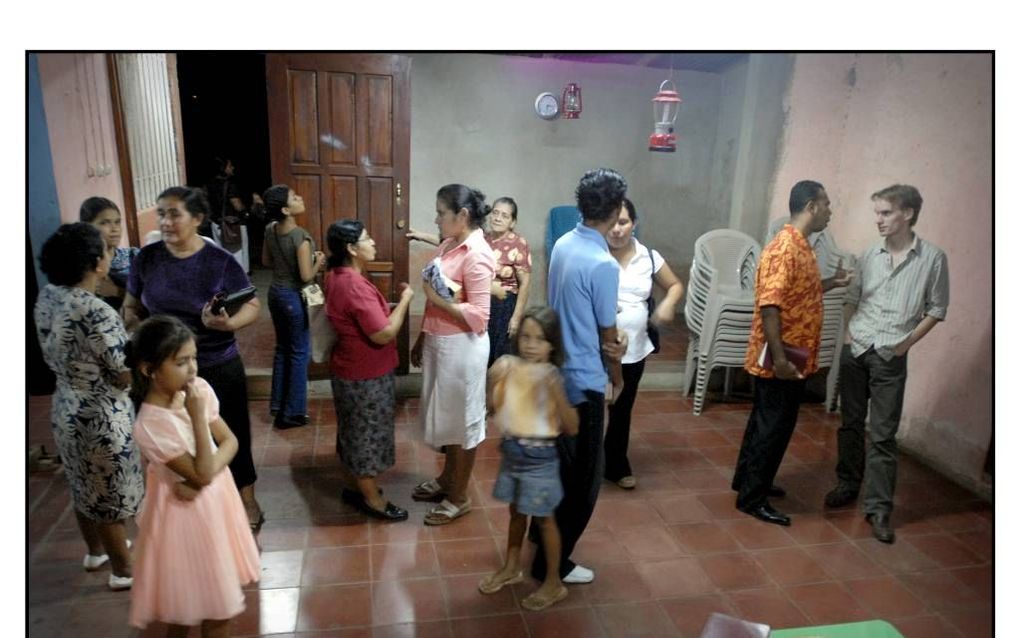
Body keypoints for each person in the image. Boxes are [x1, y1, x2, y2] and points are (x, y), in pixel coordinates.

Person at [123, 186, 264, 531]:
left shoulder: (219, 262)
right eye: (161, 214)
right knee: (176, 443)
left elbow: (253, 305)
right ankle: (188, 507)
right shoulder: (148, 258)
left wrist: (228, 323)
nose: (165, 222)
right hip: (162, 372)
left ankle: (246, 502)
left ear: (197, 219)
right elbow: (131, 304)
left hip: (215, 363)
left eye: (174, 214)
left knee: (231, 436)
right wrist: (138, 327)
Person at [824, 184, 949, 544]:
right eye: (876, 212)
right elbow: (852, 297)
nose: (878, 220)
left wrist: (906, 344)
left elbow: (937, 309)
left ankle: (879, 507)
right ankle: (847, 483)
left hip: (891, 354)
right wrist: (848, 335)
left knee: (882, 434)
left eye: (885, 213)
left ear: (907, 213)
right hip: (858, 347)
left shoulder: (932, 259)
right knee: (849, 423)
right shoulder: (868, 255)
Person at [126, 315, 260, 637]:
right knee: (195, 608)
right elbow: (201, 472)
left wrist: (204, 474)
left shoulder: (198, 389)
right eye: (182, 362)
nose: (193, 369)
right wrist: (198, 418)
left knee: (206, 603)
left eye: (194, 359)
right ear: (149, 369)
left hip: (215, 505)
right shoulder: (151, 425)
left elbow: (231, 442)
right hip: (184, 518)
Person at [731, 180, 852, 527]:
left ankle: (749, 480)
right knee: (774, 425)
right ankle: (752, 499)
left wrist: (834, 282)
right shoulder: (786, 247)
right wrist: (781, 360)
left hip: (793, 348)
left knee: (765, 420)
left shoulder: (801, 246)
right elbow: (770, 306)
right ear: (812, 206)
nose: (830, 212)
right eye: (827, 205)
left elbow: (802, 292)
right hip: (782, 351)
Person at [530, 168, 628, 586]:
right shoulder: (603, 263)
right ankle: (554, 562)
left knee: (558, 466)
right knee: (585, 478)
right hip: (583, 379)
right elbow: (608, 334)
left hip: (554, 372)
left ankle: (541, 536)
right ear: (615, 209)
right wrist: (617, 373)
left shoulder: (565, 244)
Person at [34, 222, 143, 591]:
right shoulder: (95, 310)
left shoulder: (48, 295)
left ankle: (95, 551)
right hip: (100, 413)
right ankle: (123, 570)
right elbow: (123, 371)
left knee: (83, 485)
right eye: (107, 250)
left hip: (65, 404)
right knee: (110, 495)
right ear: (97, 263)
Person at [478, 307, 579, 611]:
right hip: (513, 451)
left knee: (545, 520)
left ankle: (553, 582)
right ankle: (511, 567)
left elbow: (572, 427)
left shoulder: (555, 376)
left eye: (539, 339)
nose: (531, 344)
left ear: (552, 345)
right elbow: (494, 409)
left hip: (541, 457)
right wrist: (492, 381)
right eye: (525, 337)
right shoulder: (510, 367)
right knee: (516, 513)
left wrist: (554, 390)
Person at [410, 184, 496, 526]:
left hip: (463, 348)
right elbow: (434, 297)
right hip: (440, 342)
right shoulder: (449, 244)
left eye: (441, 213)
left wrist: (440, 300)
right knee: (448, 419)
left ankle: (459, 497)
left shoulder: (477, 253)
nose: (436, 219)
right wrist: (421, 336)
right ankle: (448, 480)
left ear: (462, 215)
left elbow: (479, 316)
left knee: (464, 423)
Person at [324, 219, 414, 521]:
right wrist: (405, 301)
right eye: (367, 238)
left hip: (348, 369)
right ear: (351, 248)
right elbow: (384, 333)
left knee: (353, 431)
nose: (373, 242)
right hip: (365, 374)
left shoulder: (337, 275)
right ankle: (373, 500)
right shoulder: (353, 284)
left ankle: (354, 486)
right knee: (366, 435)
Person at [603, 198, 684, 490]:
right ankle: (584, 464)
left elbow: (675, 285)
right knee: (588, 407)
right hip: (598, 346)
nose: (616, 229)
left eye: (623, 222)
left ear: (633, 224)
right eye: (611, 222)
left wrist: (668, 305)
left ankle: (615, 463)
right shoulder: (594, 254)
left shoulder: (648, 256)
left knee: (622, 407)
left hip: (635, 348)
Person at [407, 195, 531, 366]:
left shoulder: (518, 243)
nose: (497, 218)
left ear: (512, 222)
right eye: (495, 213)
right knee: (481, 351)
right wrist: (420, 236)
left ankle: (497, 390)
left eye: (504, 215)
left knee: (501, 354)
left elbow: (524, 283)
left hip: (504, 306)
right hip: (479, 300)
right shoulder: (482, 238)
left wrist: (516, 317)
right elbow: (449, 243)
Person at [261, 184, 325, 429]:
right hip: (293, 298)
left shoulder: (270, 230)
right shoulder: (300, 236)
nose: (300, 197)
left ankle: (278, 403)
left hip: (275, 294)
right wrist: (318, 260)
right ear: (286, 210)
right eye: (294, 197)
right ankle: (293, 412)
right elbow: (307, 276)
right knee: (300, 353)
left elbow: (266, 260)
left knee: (282, 349)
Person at [79, 196, 139, 311]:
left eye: (117, 222)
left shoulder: (135, 257)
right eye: (104, 223)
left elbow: (153, 298)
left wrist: (116, 291)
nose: (115, 229)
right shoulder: (82, 266)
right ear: (87, 226)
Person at [206, 157, 249, 273]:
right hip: (232, 224)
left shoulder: (209, 184)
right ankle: (239, 282)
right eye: (229, 166)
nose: (232, 168)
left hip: (216, 223)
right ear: (223, 169)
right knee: (237, 254)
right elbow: (237, 205)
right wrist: (245, 210)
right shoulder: (230, 185)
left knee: (222, 253)